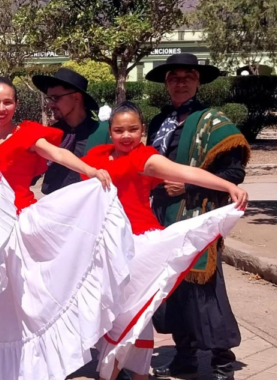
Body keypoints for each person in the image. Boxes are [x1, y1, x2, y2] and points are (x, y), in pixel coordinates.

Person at [0, 77, 131, 380]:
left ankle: (29, 360)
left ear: (16, 105)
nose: (1, 108)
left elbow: (56, 154)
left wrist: (89, 170)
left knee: (22, 296)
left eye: (7, 102)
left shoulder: (27, 134)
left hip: (18, 221)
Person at [77, 102, 247, 380]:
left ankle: (131, 372)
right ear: (110, 131)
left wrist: (228, 185)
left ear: (143, 131)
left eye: (133, 129)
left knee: (133, 309)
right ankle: (116, 368)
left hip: (138, 243)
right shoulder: (97, 155)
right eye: (119, 130)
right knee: (110, 309)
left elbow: (185, 173)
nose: (126, 135)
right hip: (103, 243)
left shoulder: (144, 158)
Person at [144, 53, 251, 380]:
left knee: (205, 289)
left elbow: (234, 171)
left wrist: (187, 187)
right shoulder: (158, 122)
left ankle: (221, 362)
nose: (180, 82)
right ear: (166, 83)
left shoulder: (214, 121)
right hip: (162, 215)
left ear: (198, 81)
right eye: (174, 77)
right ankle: (185, 356)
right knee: (173, 288)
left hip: (199, 214)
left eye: (187, 76)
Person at [32, 68, 112, 194]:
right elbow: (29, 177)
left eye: (56, 98)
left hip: (91, 208)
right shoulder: (49, 135)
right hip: (53, 207)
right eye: (49, 99)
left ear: (76, 97)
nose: (50, 104)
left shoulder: (104, 133)